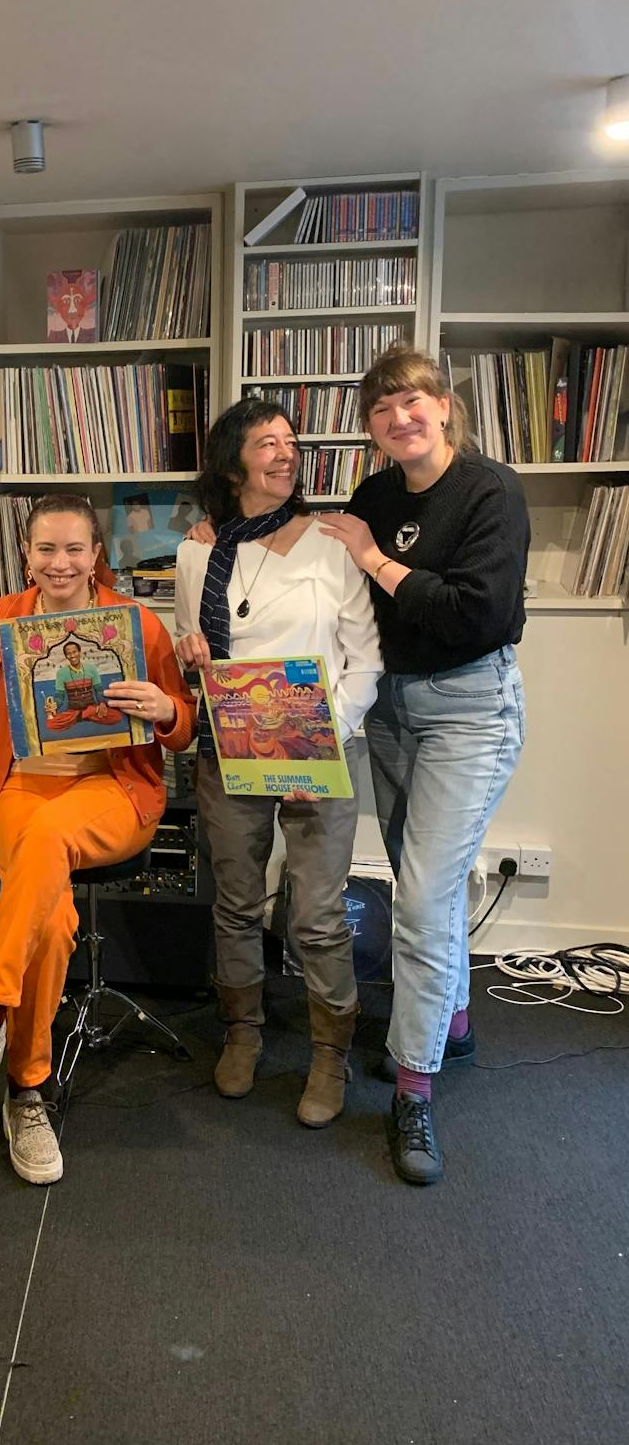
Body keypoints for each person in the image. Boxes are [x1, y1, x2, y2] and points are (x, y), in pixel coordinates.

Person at [0, 493, 196, 1185]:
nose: (61, 562)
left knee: (49, 837)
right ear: (26, 555)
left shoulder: (139, 626)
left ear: (96, 554)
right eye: (46, 548)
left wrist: (166, 708)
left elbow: (184, 726)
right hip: (20, 791)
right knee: (49, 927)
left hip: (115, 794)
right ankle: (26, 1091)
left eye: (75, 548)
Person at [318, 345, 528, 1186]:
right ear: (370, 429)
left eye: (412, 401)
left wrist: (377, 560)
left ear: (443, 406)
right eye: (381, 408)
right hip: (392, 710)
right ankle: (454, 1026)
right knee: (421, 884)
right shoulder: (374, 496)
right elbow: (322, 559)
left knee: (419, 899)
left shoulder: (489, 491)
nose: (399, 417)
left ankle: (413, 1089)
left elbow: (474, 614)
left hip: (470, 709)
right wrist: (214, 533)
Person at [175, 399, 382, 1127]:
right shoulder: (198, 550)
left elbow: (365, 659)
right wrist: (190, 654)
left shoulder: (333, 541)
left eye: (290, 441)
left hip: (320, 750)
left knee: (318, 913)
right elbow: (195, 650)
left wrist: (318, 740)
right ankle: (242, 1032)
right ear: (233, 463)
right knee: (236, 902)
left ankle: (330, 1053)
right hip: (229, 752)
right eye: (267, 442)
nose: (285, 453)